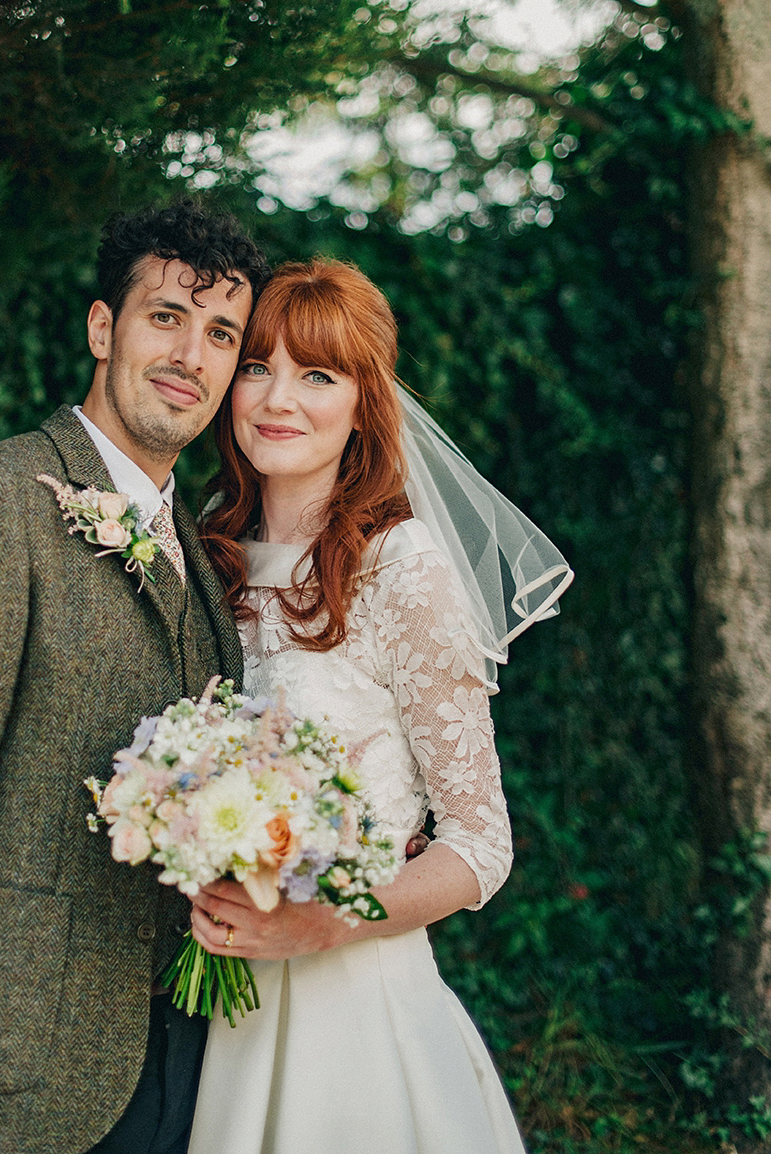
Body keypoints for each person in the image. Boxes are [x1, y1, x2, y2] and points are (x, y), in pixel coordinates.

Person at [0, 203, 272, 1154]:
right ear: (101, 327)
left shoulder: (203, 550)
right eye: (165, 316)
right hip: (18, 1080)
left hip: (183, 1060)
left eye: (220, 335)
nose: (190, 356)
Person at [188, 258, 573, 1154]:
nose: (276, 398)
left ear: (365, 402)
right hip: (213, 1005)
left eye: (316, 375)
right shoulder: (205, 547)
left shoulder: (403, 571)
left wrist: (324, 920)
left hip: (354, 1010)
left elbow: (482, 847)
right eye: (256, 366)